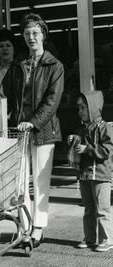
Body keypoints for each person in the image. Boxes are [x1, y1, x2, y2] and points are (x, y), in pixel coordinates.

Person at [2, 13, 64, 247]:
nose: (31, 37)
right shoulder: (19, 65)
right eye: (27, 34)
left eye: (35, 33)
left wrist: (34, 121)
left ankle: (38, 227)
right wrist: (12, 118)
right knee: (19, 182)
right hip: (20, 131)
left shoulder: (54, 65)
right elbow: (9, 95)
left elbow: (52, 100)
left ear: (43, 35)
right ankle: (24, 226)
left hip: (43, 131)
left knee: (40, 181)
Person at [68, 91, 113, 252]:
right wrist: (74, 139)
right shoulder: (83, 128)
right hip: (85, 175)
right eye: (78, 107)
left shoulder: (104, 127)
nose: (79, 111)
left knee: (102, 209)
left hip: (100, 175)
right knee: (89, 209)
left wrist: (87, 148)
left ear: (93, 108)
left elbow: (108, 150)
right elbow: (79, 144)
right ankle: (90, 238)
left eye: (83, 107)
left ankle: (107, 239)